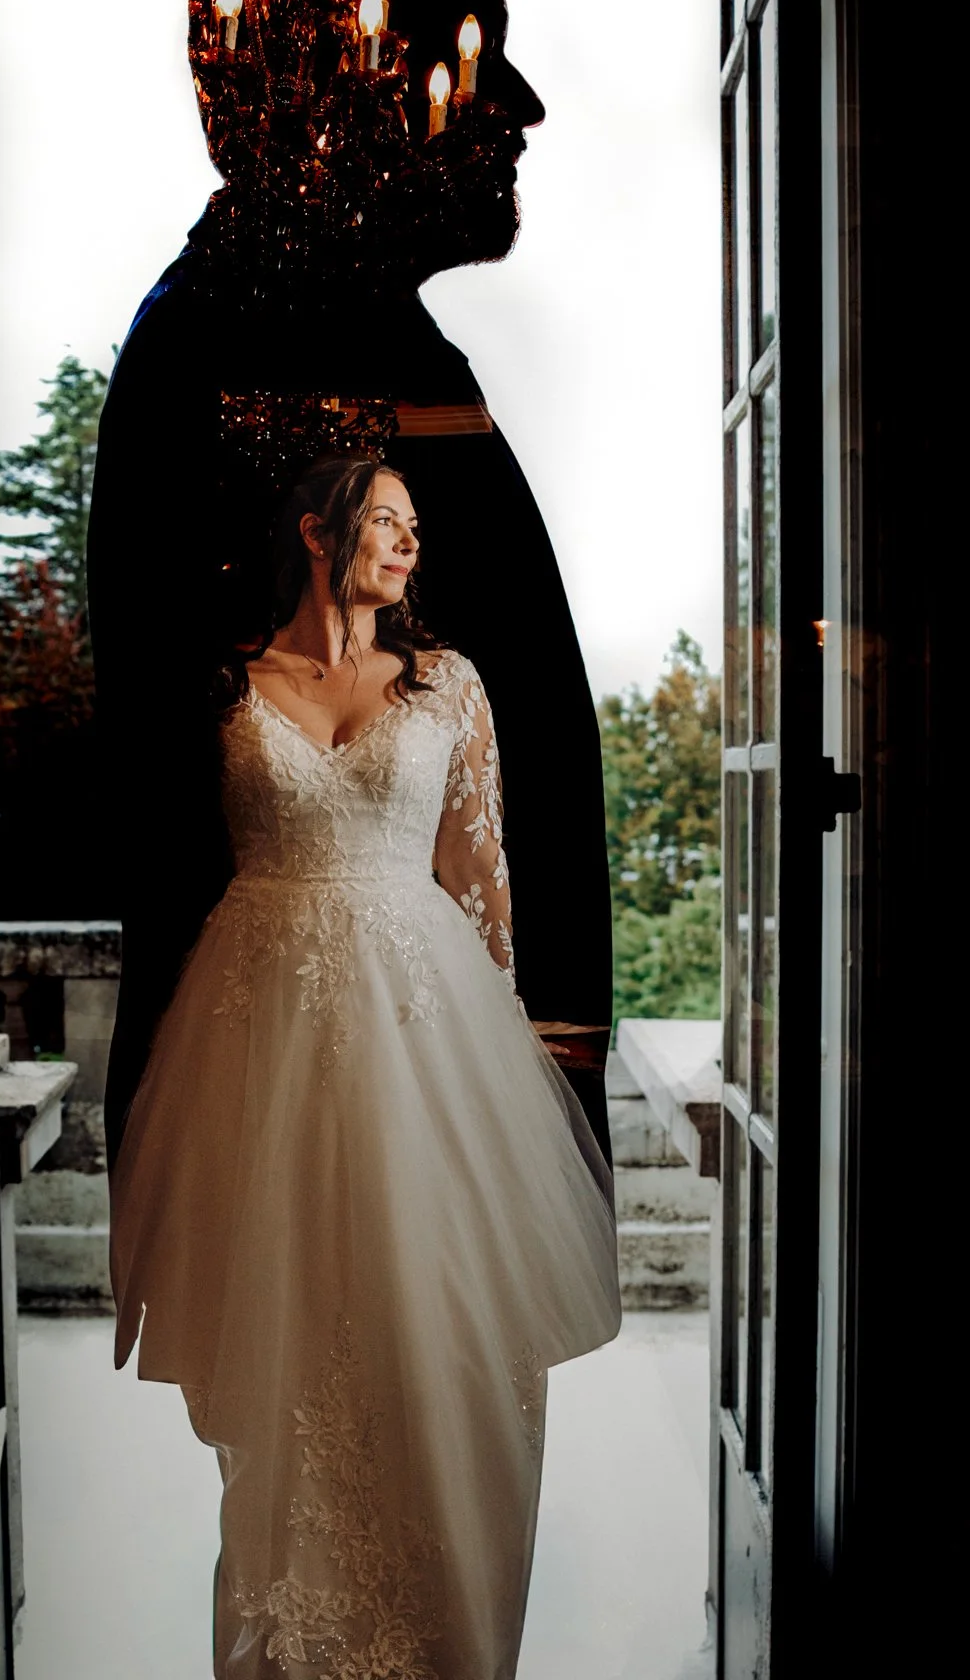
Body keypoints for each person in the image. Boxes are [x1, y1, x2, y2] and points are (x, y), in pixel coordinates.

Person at [87, 0, 614, 1179]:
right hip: (349, 1098)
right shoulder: (250, 361)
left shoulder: (362, 347)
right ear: (342, 87)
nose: (518, 107)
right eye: (471, 56)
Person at [111, 455, 621, 1679]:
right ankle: (292, 1629)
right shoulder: (230, 685)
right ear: (315, 530)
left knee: (432, 1318)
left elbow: (482, 880)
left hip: (420, 1026)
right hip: (255, 1037)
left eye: (413, 527)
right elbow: (170, 878)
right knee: (286, 1314)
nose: (405, 544)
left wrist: (495, 1078)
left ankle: (444, 1616)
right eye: (383, 522)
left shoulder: (447, 683)